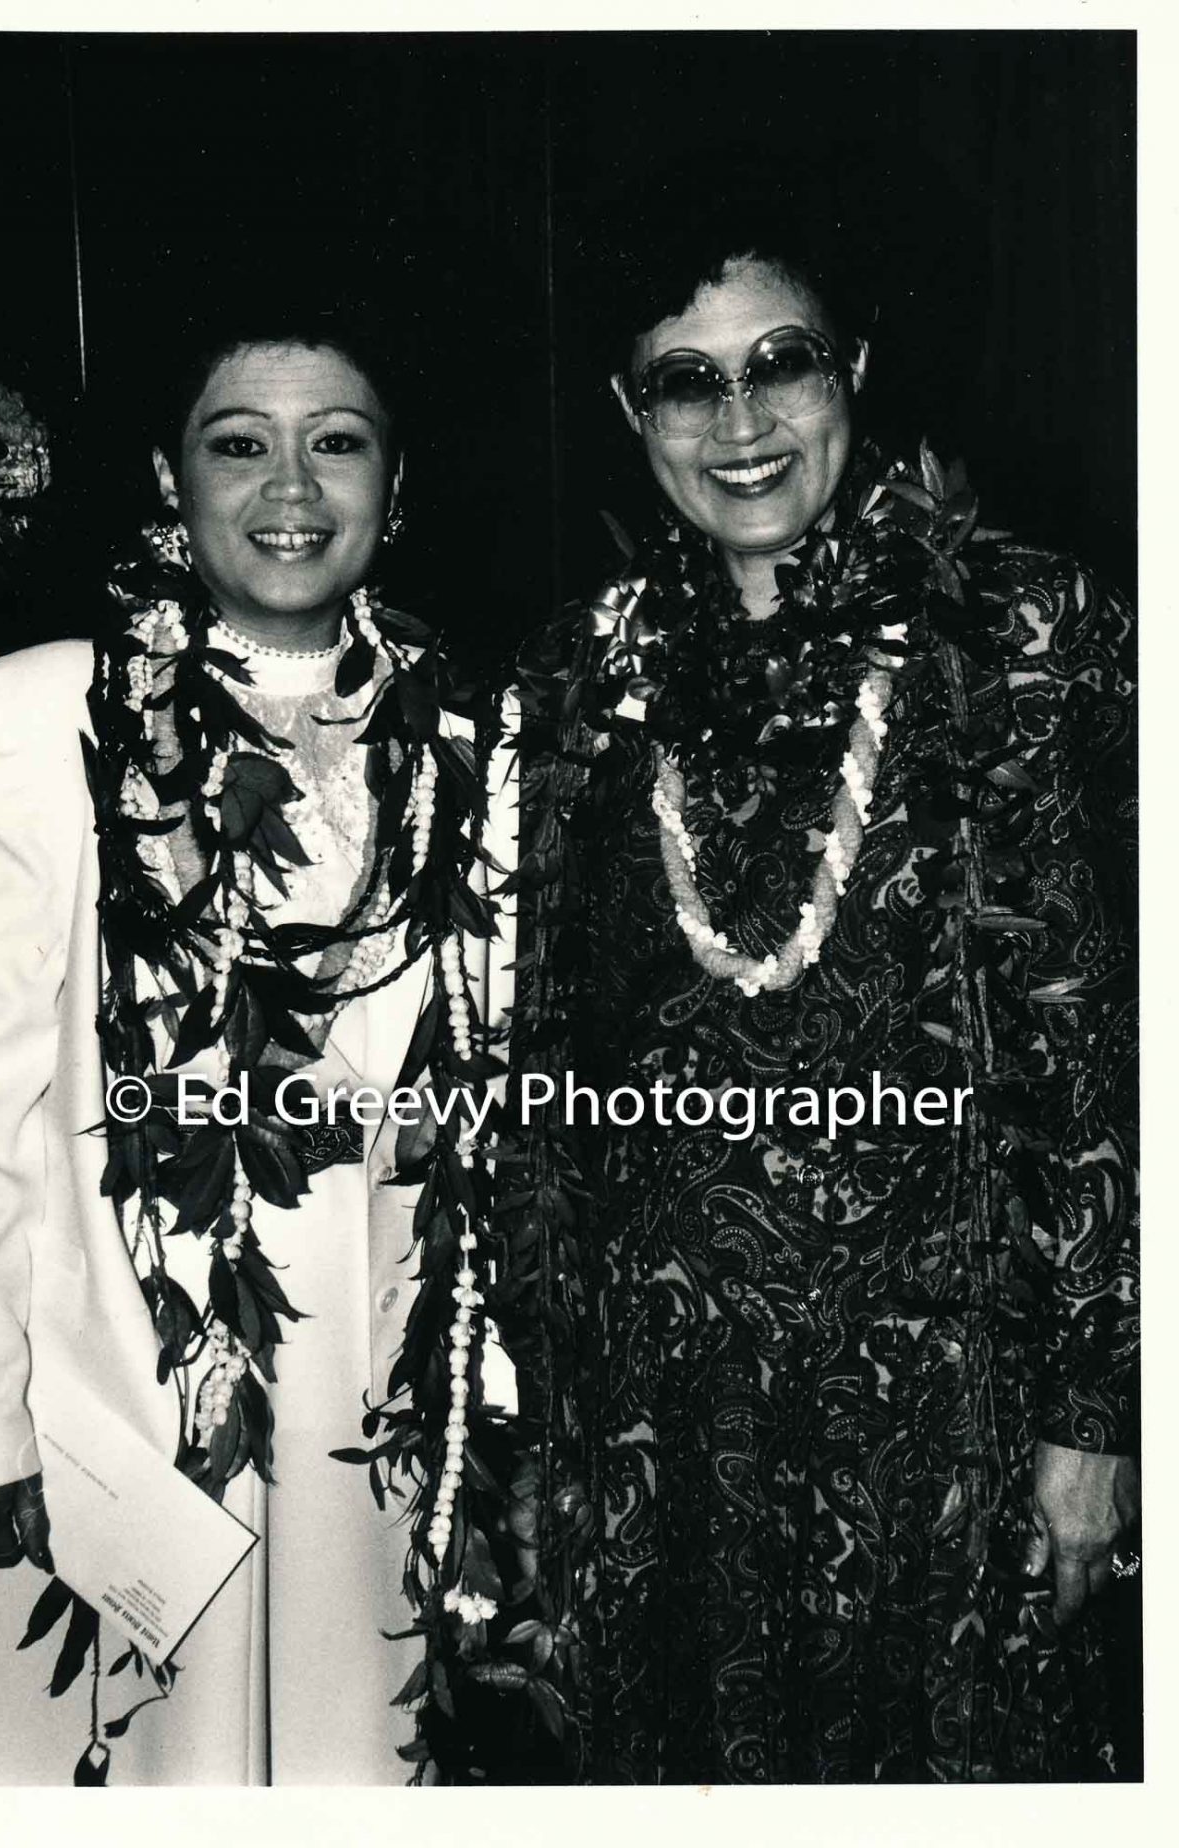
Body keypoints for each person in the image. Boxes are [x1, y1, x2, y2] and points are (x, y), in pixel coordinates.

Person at [494, 166, 1139, 1782]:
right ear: (629, 410)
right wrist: (539, 1433)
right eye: (686, 381)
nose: (740, 422)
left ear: (854, 370)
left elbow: (1107, 1058)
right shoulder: (580, 671)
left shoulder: (1028, 641)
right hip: (670, 1423)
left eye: (781, 362)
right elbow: (545, 1064)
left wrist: (1095, 1421)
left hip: (949, 1405)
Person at [0, 299, 517, 1785]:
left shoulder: (477, 742)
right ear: (164, 476)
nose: (291, 493)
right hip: (114, 1403)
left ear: (399, 485)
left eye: (339, 445)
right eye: (237, 445)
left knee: (351, 1753)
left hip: (379, 1408)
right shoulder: (37, 716)